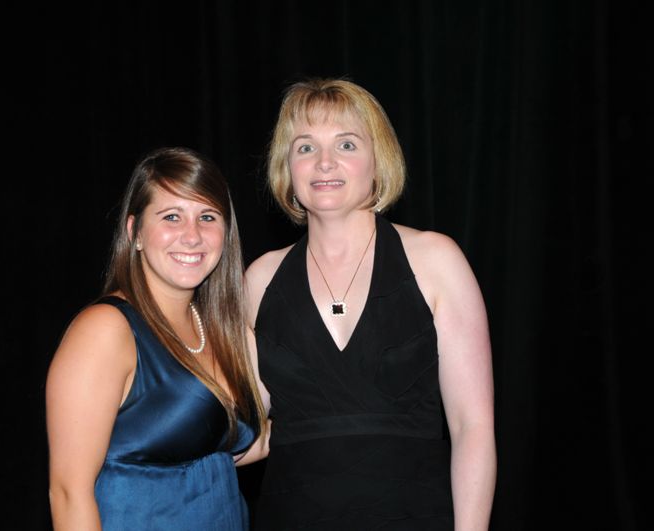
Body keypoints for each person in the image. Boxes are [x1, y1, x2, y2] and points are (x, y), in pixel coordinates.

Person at [244, 78, 496, 529]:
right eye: (305, 147)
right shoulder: (260, 277)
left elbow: (472, 428)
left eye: (345, 144)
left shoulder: (437, 260)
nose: (324, 162)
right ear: (287, 167)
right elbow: (244, 428)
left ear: (378, 161)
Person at [46, 147, 266, 530]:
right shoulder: (105, 330)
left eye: (208, 217)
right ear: (135, 233)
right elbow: (68, 492)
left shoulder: (225, 331)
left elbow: (238, 448)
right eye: (171, 217)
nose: (192, 235)